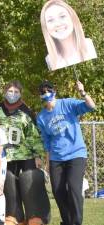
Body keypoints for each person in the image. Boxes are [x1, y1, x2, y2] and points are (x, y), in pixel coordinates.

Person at [36, 80, 95, 225]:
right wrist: (48, 163)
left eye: (48, 90)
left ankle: (76, 222)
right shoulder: (41, 117)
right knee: (57, 191)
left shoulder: (67, 104)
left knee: (74, 188)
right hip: (56, 158)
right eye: (43, 92)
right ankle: (67, 221)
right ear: (40, 96)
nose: (46, 93)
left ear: (54, 91)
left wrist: (83, 92)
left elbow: (91, 106)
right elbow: (47, 141)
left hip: (76, 154)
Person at [0, 81, 49, 225]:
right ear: (4, 92)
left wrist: (37, 154)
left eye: (16, 92)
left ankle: (35, 215)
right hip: (5, 155)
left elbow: (33, 135)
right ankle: (14, 215)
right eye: (10, 91)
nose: (12, 94)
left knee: (30, 182)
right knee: (9, 184)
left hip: (25, 155)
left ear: (21, 93)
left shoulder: (26, 111)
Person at [41, 0, 97, 71]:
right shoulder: (50, 60)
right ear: (45, 27)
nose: (58, 24)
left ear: (73, 18)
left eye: (62, 16)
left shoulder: (90, 45)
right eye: (50, 20)